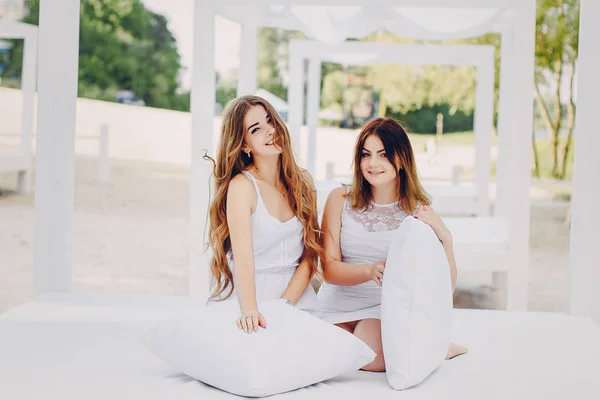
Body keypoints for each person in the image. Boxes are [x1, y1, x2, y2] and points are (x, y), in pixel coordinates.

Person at [317, 117, 467, 372]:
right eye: (366, 155)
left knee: (367, 351)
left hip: (382, 309)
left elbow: (443, 289)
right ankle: (430, 344)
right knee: (329, 351)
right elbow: (329, 270)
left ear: (401, 158)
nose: (373, 163)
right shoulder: (339, 198)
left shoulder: (417, 211)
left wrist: (446, 238)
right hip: (334, 304)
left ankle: (435, 346)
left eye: (383, 154)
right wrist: (369, 270)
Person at [206, 95, 322, 334]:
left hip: (296, 294)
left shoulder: (304, 181)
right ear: (244, 145)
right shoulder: (242, 186)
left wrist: (285, 305)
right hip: (250, 295)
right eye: (256, 129)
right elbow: (243, 261)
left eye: (271, 121)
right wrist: (250, 310)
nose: (270, 131)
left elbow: (311, 255)